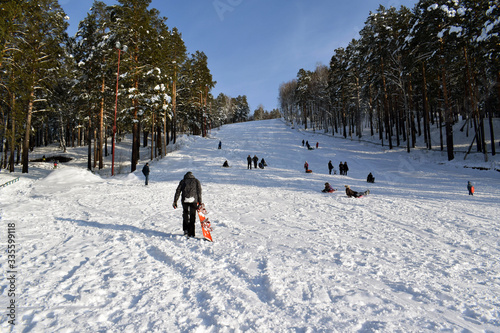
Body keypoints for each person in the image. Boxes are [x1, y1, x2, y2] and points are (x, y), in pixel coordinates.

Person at [173, 172, 203, 237]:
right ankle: (192, 232)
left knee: (185, 215)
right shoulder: (196, 181)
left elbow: (178, 191)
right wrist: (200, 201)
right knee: (192, 215)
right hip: (193, 200)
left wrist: (175, 201)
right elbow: (199, 191)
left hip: (185, 200)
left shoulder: (183, 181)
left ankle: (186, 230)